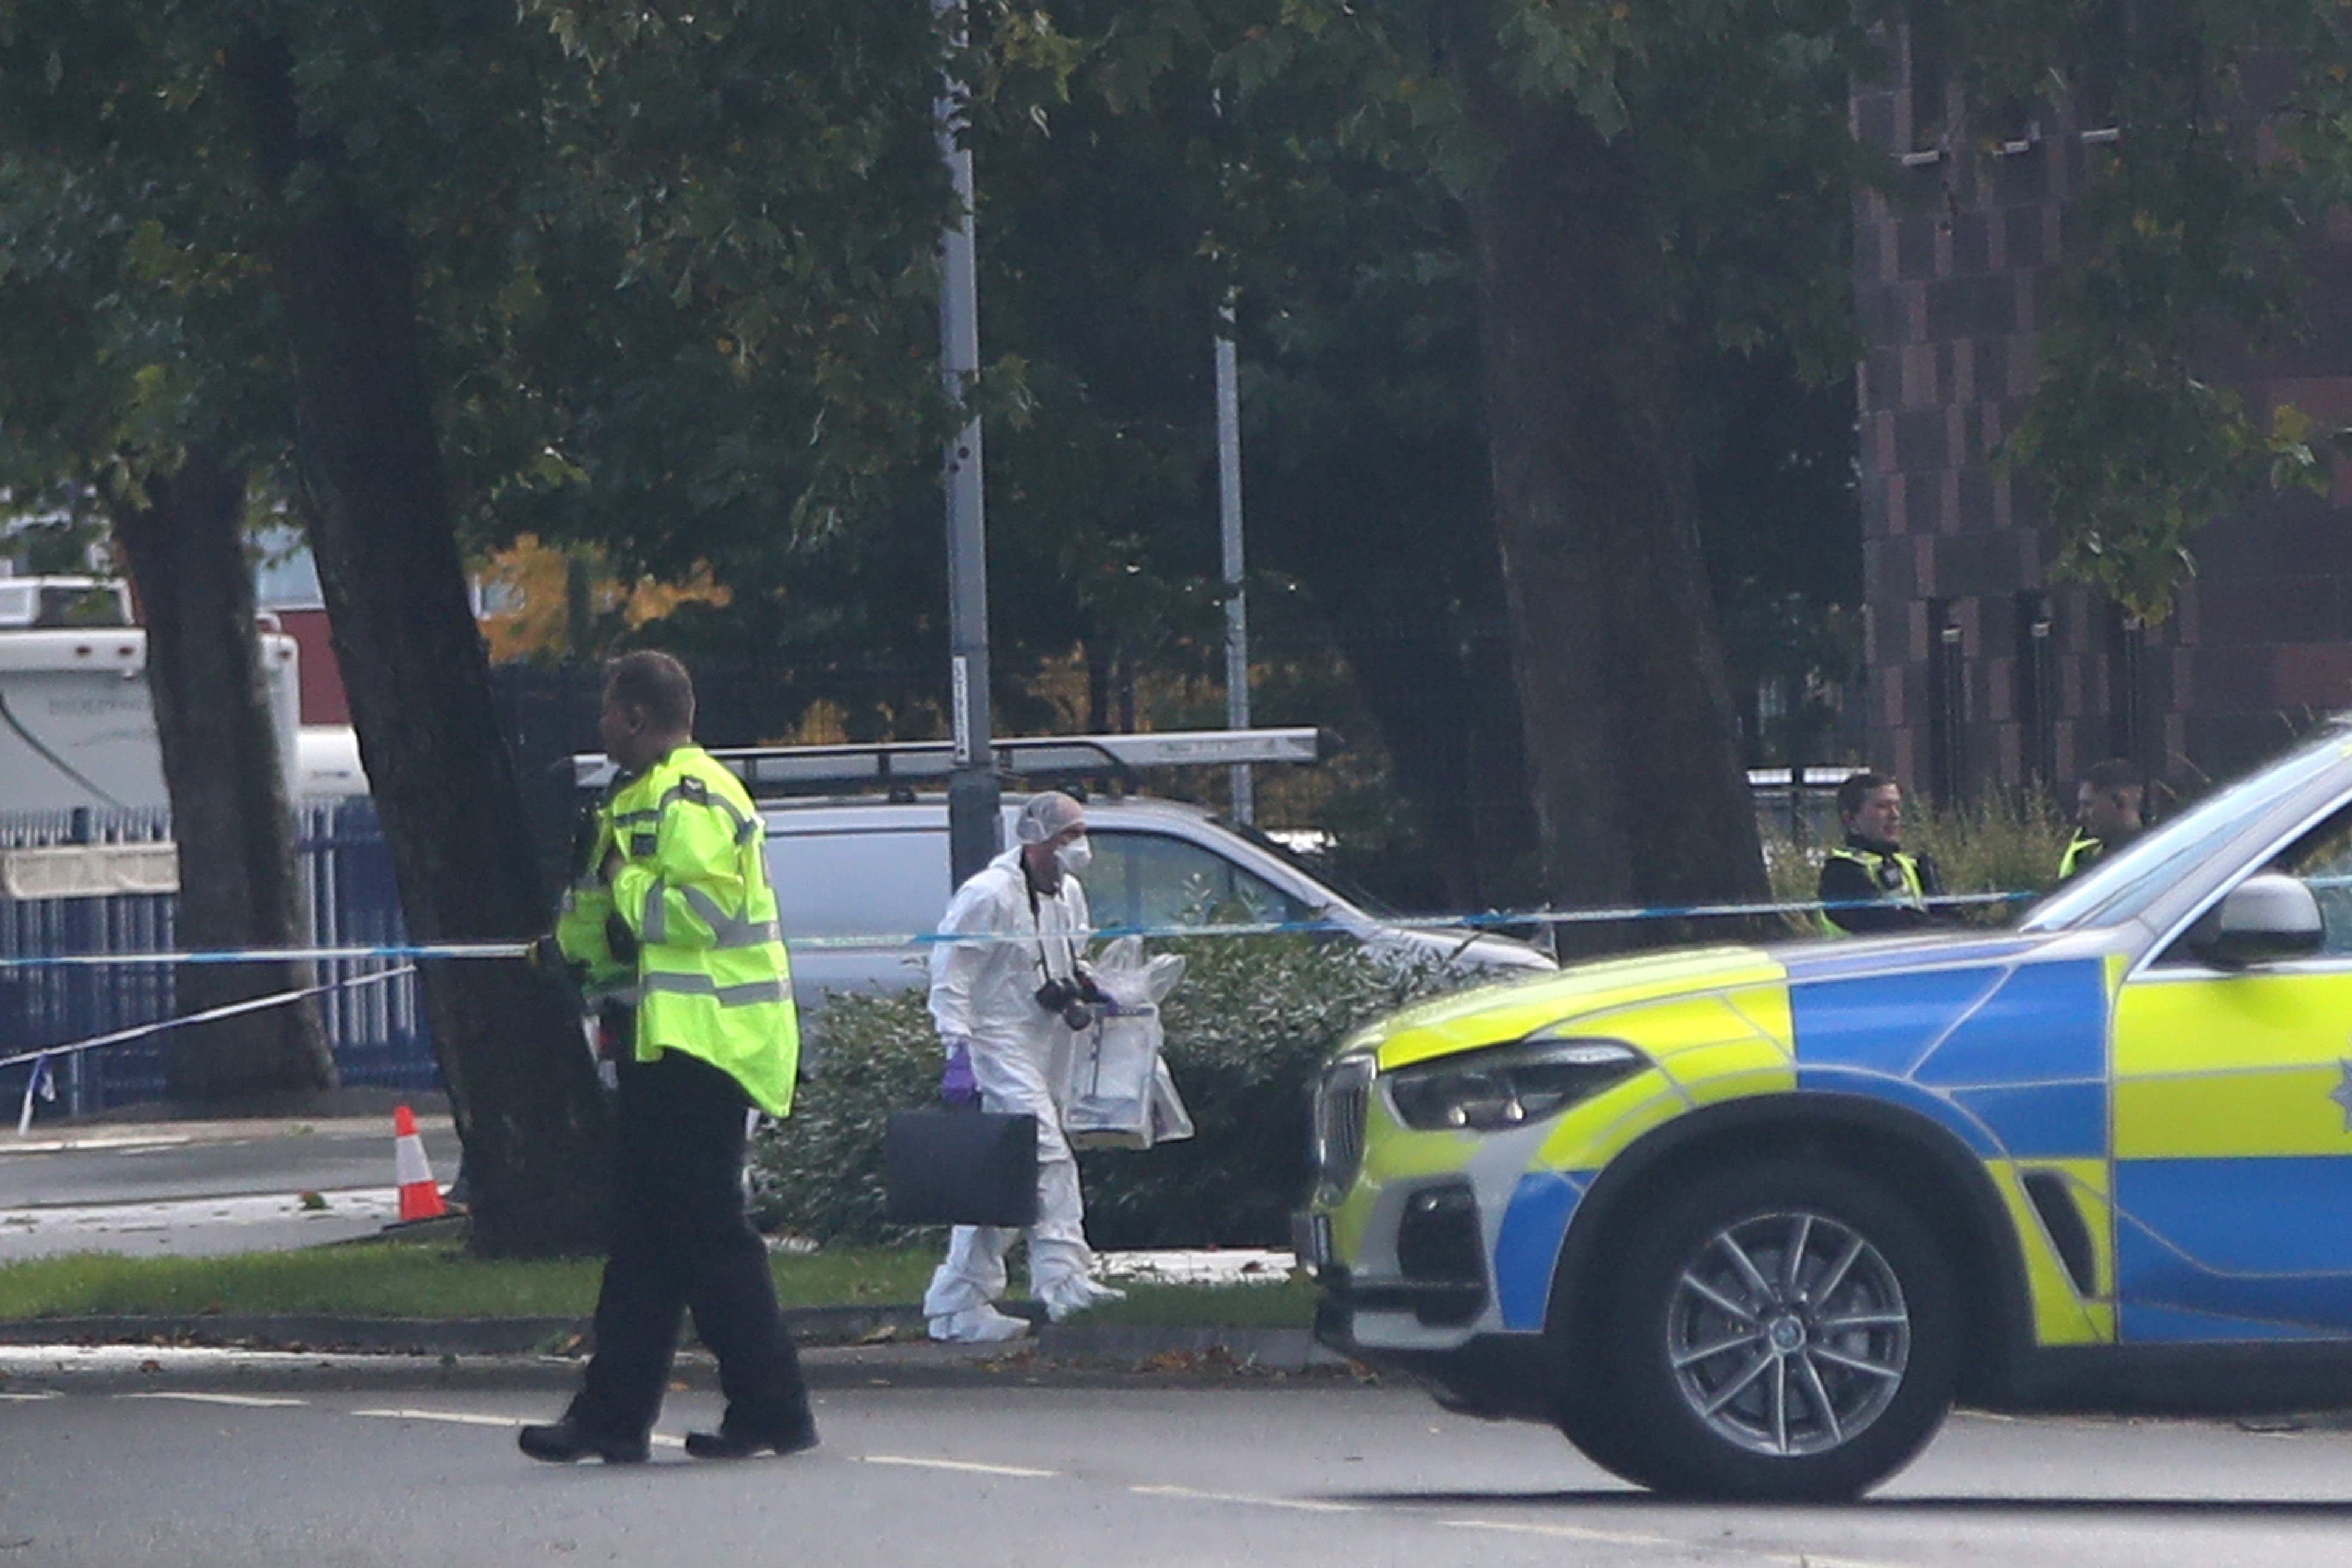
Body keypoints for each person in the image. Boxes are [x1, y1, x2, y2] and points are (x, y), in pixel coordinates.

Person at [520, 650, 815, 1465]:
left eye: (609, 712)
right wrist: (567, 957)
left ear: (637, 717)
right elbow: (620, 934)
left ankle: (770, 1407)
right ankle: (617, 1418)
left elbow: (694, 914)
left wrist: (620, 879)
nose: (601, 727)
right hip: (669, 1041)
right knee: (652, 1238)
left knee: (705, 1237)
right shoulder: (641, 796)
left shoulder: (690, 796)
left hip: (703, 1045)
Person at [922, 791, 1128, 1343]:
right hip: (995, 1040)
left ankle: (958, 1303)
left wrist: (1091, 985)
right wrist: (957, 1049)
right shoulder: (989, 896)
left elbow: (1069, 956)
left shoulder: (1068, 894)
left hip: (1044, 1040)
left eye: (1081, 833)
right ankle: (1064, 1283)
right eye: (1068, 836)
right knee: (1046, 1156)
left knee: (1005, 1177)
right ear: (1036, 839)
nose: (1078, 846)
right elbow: (952, 971)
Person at [1817, 771, 1944, 935]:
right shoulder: (1841, 872)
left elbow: (1946, 913)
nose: (1895, 815)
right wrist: (1941, 928)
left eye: (1897, 806)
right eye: (1882, 807)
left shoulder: (1912, 864)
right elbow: (1883, 923)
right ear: (1850, 819)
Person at [2060, 758, 2144, 880]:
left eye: (2088, 805)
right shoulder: (2084, 859)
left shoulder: (2156, 861)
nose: (2080, 816)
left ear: (2120, 802)